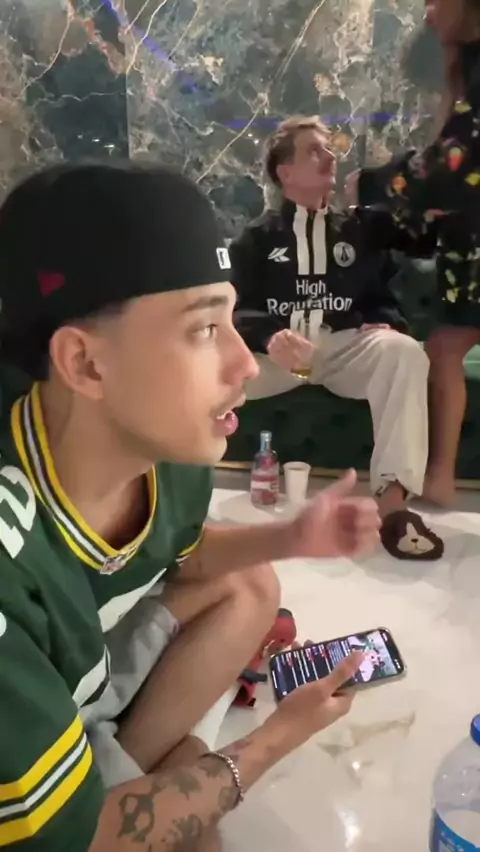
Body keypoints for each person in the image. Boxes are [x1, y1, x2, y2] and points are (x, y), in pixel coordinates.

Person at [0, 161, 382, 852]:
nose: (245, 364)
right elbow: (77, 842)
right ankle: (114, 786)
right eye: (205, 328)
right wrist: (273, 740)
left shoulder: (163, 450)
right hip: (27, 715)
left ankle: (120, 773)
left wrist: (292, 536)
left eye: (232, 319)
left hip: (79, 669)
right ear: (85, 363)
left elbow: (181, 550)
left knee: (252, 583)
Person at [229, 116, 444, 561]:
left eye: (330, 148)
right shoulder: (256, 237)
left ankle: (393, 507)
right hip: (278, 359)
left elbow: (381, 290)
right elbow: (237, 308)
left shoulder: (360, 228)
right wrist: (268, 337)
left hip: (340, 350)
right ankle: (176, 499)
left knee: (404, 353)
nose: (330, 156)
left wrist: (386, 321)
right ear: (285, 172)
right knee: (200, 371)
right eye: (314, 150)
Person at [349, 0, 480, 507]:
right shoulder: (467, 73)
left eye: (435, 0)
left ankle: (441, 476)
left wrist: (375, 184)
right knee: (444, 348)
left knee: (444, 348)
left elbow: (448, 170)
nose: (427, 12)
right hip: (466, 251)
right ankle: (440, 477)